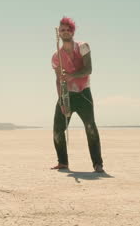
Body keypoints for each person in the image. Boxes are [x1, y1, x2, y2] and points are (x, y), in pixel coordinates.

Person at [50, 16, 104, 173]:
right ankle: (63, 162)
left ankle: (97, 163)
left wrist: (71, 76)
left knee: (90, 127)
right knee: (57, 130)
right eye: (62, 30)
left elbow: (89, 69)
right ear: (59, 33)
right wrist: (62, 100)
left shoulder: (83, 47)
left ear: (72, 31)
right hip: (67, 94)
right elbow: (58, 80)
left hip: (83, 93)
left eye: (68, 29)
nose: (65, 32)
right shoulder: (56, 57)